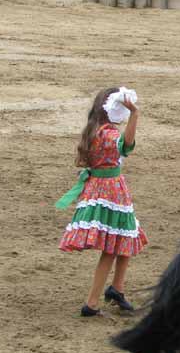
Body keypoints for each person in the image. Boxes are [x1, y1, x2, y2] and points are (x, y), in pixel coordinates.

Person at [56, 87, 148, 317]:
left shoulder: (93, 130)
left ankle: (116, 289)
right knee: (112, 245)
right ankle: (92, 302)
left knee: (126, 234)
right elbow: (126, 146)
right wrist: (135, 115)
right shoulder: (108, 134)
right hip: (111, 191)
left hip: (99, 188)